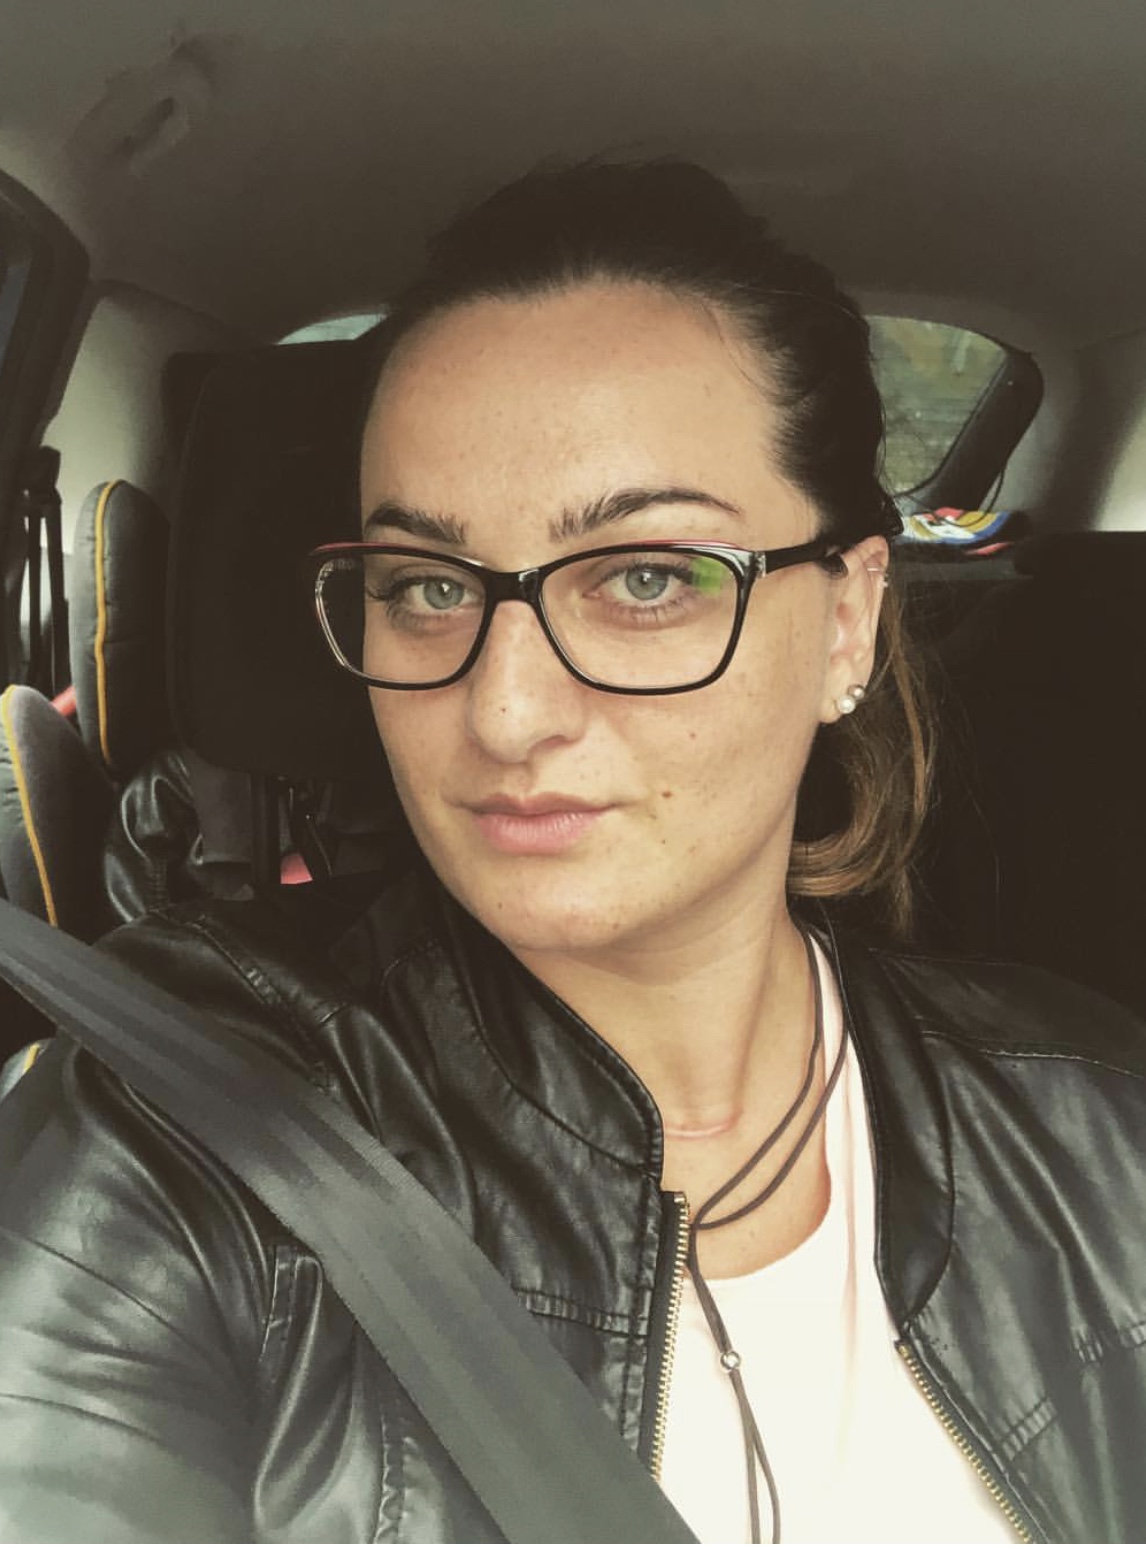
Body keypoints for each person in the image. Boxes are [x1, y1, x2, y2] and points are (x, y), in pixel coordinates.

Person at [1, 159, 1145, 1545]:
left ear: (846, 619)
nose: (504, 711)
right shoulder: (178, 1129)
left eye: (647, 577)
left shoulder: (1104, 1126)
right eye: (427, 587)